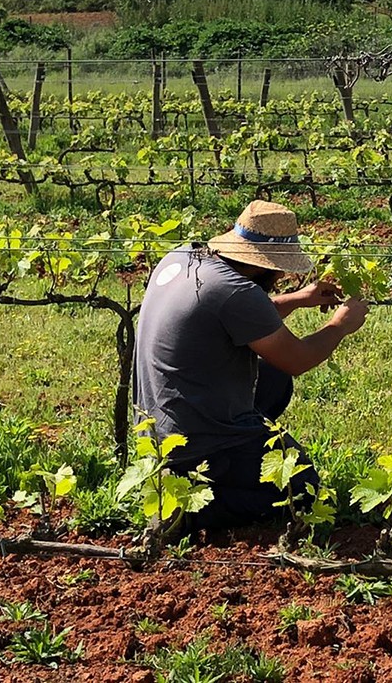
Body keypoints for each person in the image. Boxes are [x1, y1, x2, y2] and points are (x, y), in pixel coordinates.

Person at [133, 200, 368, 529]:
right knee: (302, 489)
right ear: (267, 265)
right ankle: (191, 509)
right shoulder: (237, 292)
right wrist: (341, 325)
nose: (283, 275)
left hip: (159, 430)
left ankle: (206, 471)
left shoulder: (185, 257)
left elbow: (231, 315)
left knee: (272, 377)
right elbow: (298, 359)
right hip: (197, 439)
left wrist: (299, 299)